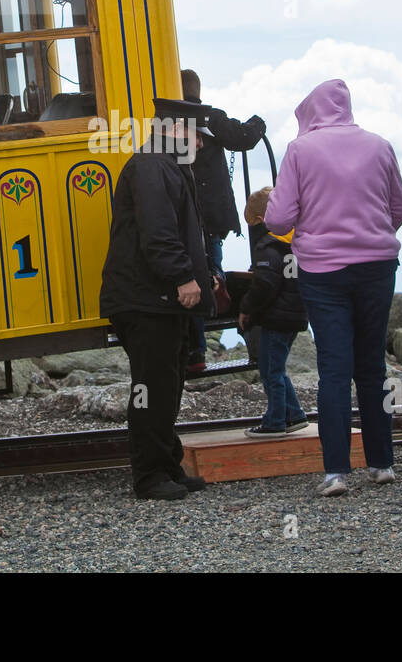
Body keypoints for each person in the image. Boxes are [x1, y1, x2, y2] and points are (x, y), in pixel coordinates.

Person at [264, 79, 402, 497]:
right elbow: (400, 207)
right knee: (373, 366)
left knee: (333, 369)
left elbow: (277, 220)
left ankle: (336, 472)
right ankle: (382, 464)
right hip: (377, 265)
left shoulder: (300, 150)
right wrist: (371, 234)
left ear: (310, 111)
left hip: (323, 271)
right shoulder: (379, 146)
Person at [100, 97, 215, 500]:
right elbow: (159, 233)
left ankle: (167, 466)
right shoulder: (153, 166)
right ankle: (150, 476)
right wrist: (183, 277)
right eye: (197, 135)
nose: (201, 144)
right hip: (146, 298)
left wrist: (203, 276)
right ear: (175, 130)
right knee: (151, 387)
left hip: (154, 298)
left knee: (165, 385)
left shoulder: (162, 164)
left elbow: (174, 233)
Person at [181, 69, 266, 372]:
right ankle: (221, 307)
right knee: (212, 270)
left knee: (191, 273)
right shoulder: (211, 118)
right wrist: (258, 123)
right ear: (198, 90)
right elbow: (244, 138)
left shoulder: (171, 121)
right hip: (214, 214)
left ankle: (195, 350)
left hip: (184, 214)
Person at [239, 186, 310, 437]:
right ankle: (294, 414)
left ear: (261, 219)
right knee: (277, 367)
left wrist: (247, 308)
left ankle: (275, 421)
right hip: (297, 313)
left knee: (270, 370)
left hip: (276, 317)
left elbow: (265, 285)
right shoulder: (300, 238)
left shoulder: (268, 246)